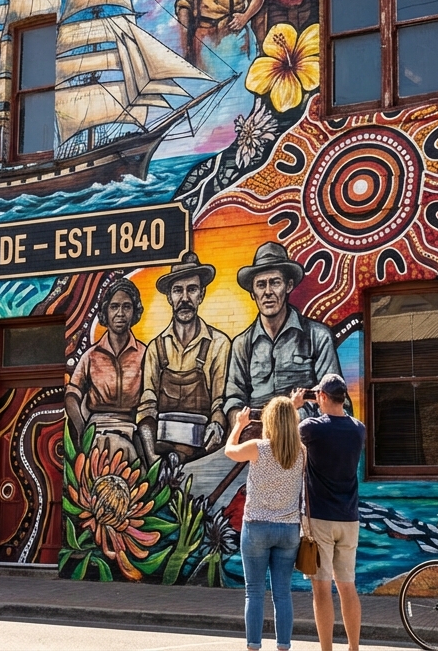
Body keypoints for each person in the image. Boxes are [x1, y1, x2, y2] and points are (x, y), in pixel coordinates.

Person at [224, 242, 340, 434]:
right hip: (256, 438)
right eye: (261, 285)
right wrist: (242, 427)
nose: (268, 292)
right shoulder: (242, 344)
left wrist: (295, 421)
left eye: (275, 282)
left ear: (288, 286)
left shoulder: (317, 336)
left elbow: (334, 397)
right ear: (253, 293)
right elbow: (233, 398)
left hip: (302, 435)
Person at [290, 374, 364, 651]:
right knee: (347, 586)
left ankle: (327, 649)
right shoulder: (358, 429)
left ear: (321, 396)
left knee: (321, 588)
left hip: (319, 516)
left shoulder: (312, 428)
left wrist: (295, 405)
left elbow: (285, 435)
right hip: (349, 517)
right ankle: (354, 647)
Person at [225, 397, 305, 651]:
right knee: (282, 593)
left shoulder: (257, 448)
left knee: (254, 591)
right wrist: (292, 406)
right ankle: (283, 646)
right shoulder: (301, 452)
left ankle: (253, 646)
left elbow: (230, 450)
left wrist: (239, 424)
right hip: (288, 529)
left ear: (269, 421)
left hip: (257, 527)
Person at [138, 252, 231, 465]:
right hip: (161, 449)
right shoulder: (155, 348)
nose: (185, 299)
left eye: (192, 289)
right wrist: (153, 460)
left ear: (202, 294)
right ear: (169, 297)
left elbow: (219, 402)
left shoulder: (219, 343)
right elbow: (147, 407)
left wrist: (217, 426)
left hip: (202, 451)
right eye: (178, 290)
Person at [66, 278, 149, 464]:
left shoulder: (145, 354)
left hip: (132, 430)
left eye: (127, 307)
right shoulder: (90, 356)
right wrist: (82, 429)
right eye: (114, 307)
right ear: (105, 312)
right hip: (97, 431)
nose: (120, 313)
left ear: (135, 312)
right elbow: (71, 395)